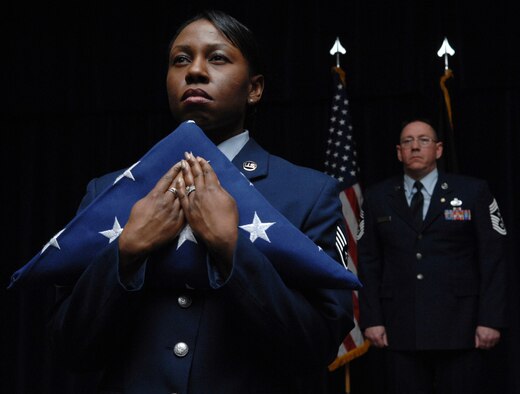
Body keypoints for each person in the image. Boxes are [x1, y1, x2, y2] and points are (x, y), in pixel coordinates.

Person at [49, 9, 354, 394]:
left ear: (254, 88)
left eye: (217, 57)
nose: (194, 71)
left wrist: (232, 250)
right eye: (181, 59)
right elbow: (69, 349)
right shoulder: (108, 193)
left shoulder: (310, 194)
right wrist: (126, 252)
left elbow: (316, 348)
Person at [357, 118, 507, 393]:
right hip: (399, 326)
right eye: (408, 141)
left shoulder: (472, 192)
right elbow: (368, 262)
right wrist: (371, 318)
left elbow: (493, 259)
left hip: (461, 325)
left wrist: (491, 319)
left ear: (438, 149)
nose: (415, 147)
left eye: (423, 140)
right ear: (399, 152)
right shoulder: (377, 196)